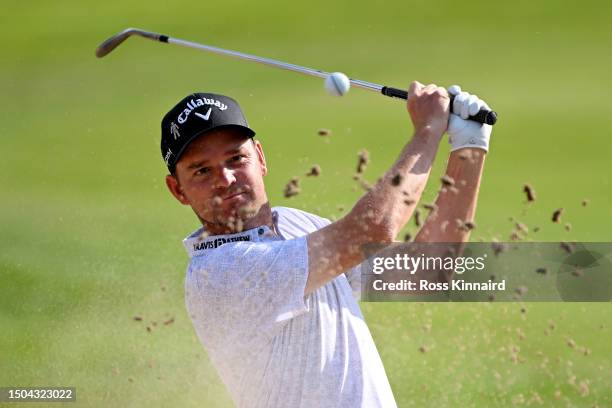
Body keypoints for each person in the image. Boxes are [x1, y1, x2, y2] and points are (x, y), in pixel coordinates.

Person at [161, 82, 493, 407]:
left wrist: (469, 146)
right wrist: (429, 129)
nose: (226, 179)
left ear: (260, 157)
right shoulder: (220, 272)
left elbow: (423, 275)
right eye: (202, 171)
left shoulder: (292, 225)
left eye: (236, 158)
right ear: (178, 190)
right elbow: (373, 229)